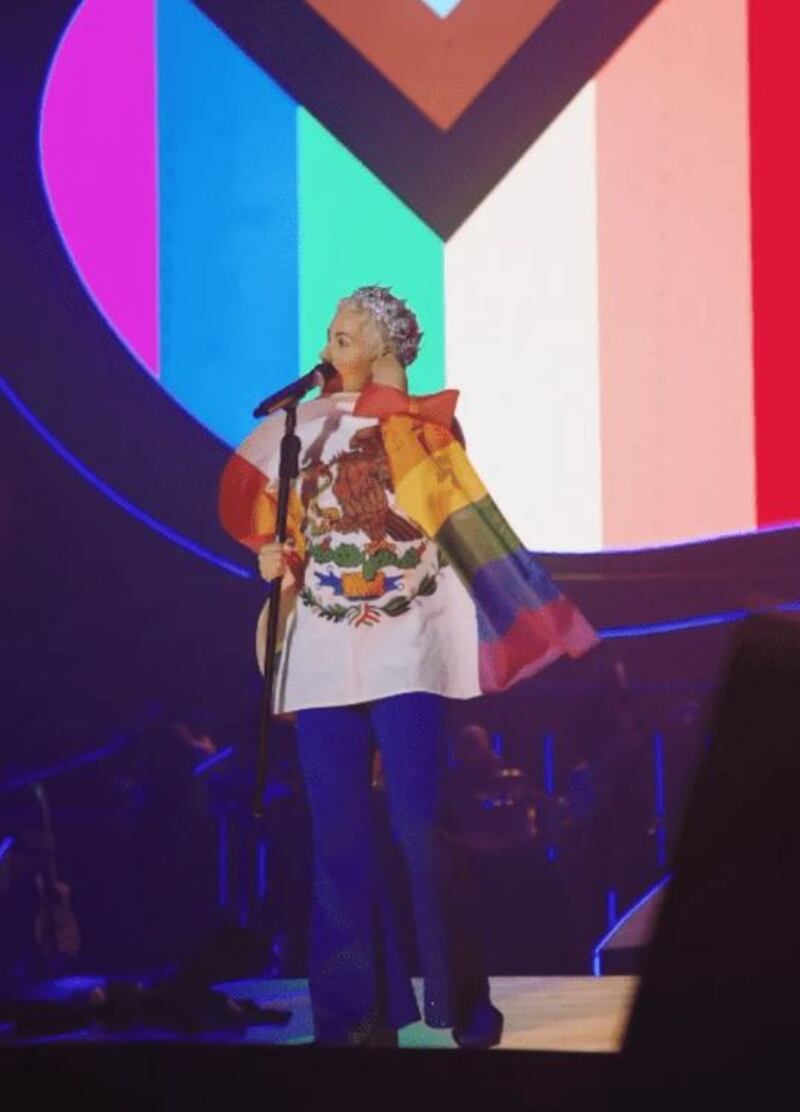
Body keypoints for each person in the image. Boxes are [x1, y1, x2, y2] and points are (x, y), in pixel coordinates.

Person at [219, 286, 597, 1047]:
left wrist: (387, 404)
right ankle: (351, 1017)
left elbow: (445, 511)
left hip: (405, 652)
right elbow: (289, 530)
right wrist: (275, 556)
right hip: (325, 651)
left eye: (344, 336)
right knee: (338, 844)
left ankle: (464, 1001)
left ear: (384, 344)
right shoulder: (308, 431)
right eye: (328, 335)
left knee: (421, 832)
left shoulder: (425, 428)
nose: (327, 349)